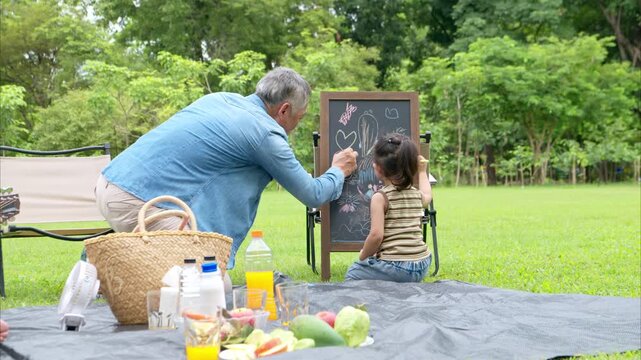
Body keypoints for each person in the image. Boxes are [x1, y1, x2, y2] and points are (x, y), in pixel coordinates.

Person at [95, 67, 358, 274]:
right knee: (209, 290)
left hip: (109, 183)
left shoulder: (220, 99)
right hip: (140, 202)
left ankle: (98, 266)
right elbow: (313, 194)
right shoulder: (264, 132)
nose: (295, 127)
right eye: (298, 119)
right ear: (284, 110)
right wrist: (338, 169)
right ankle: (104, 273)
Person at [345, 133, 432, 282]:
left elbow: (376, 236)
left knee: (353, 273)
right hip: (423, 262)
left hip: (398, 267)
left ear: (378, 169)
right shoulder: (416, 194)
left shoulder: (380, 197)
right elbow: (427, 195)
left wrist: (363, 255)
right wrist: (423, 171)